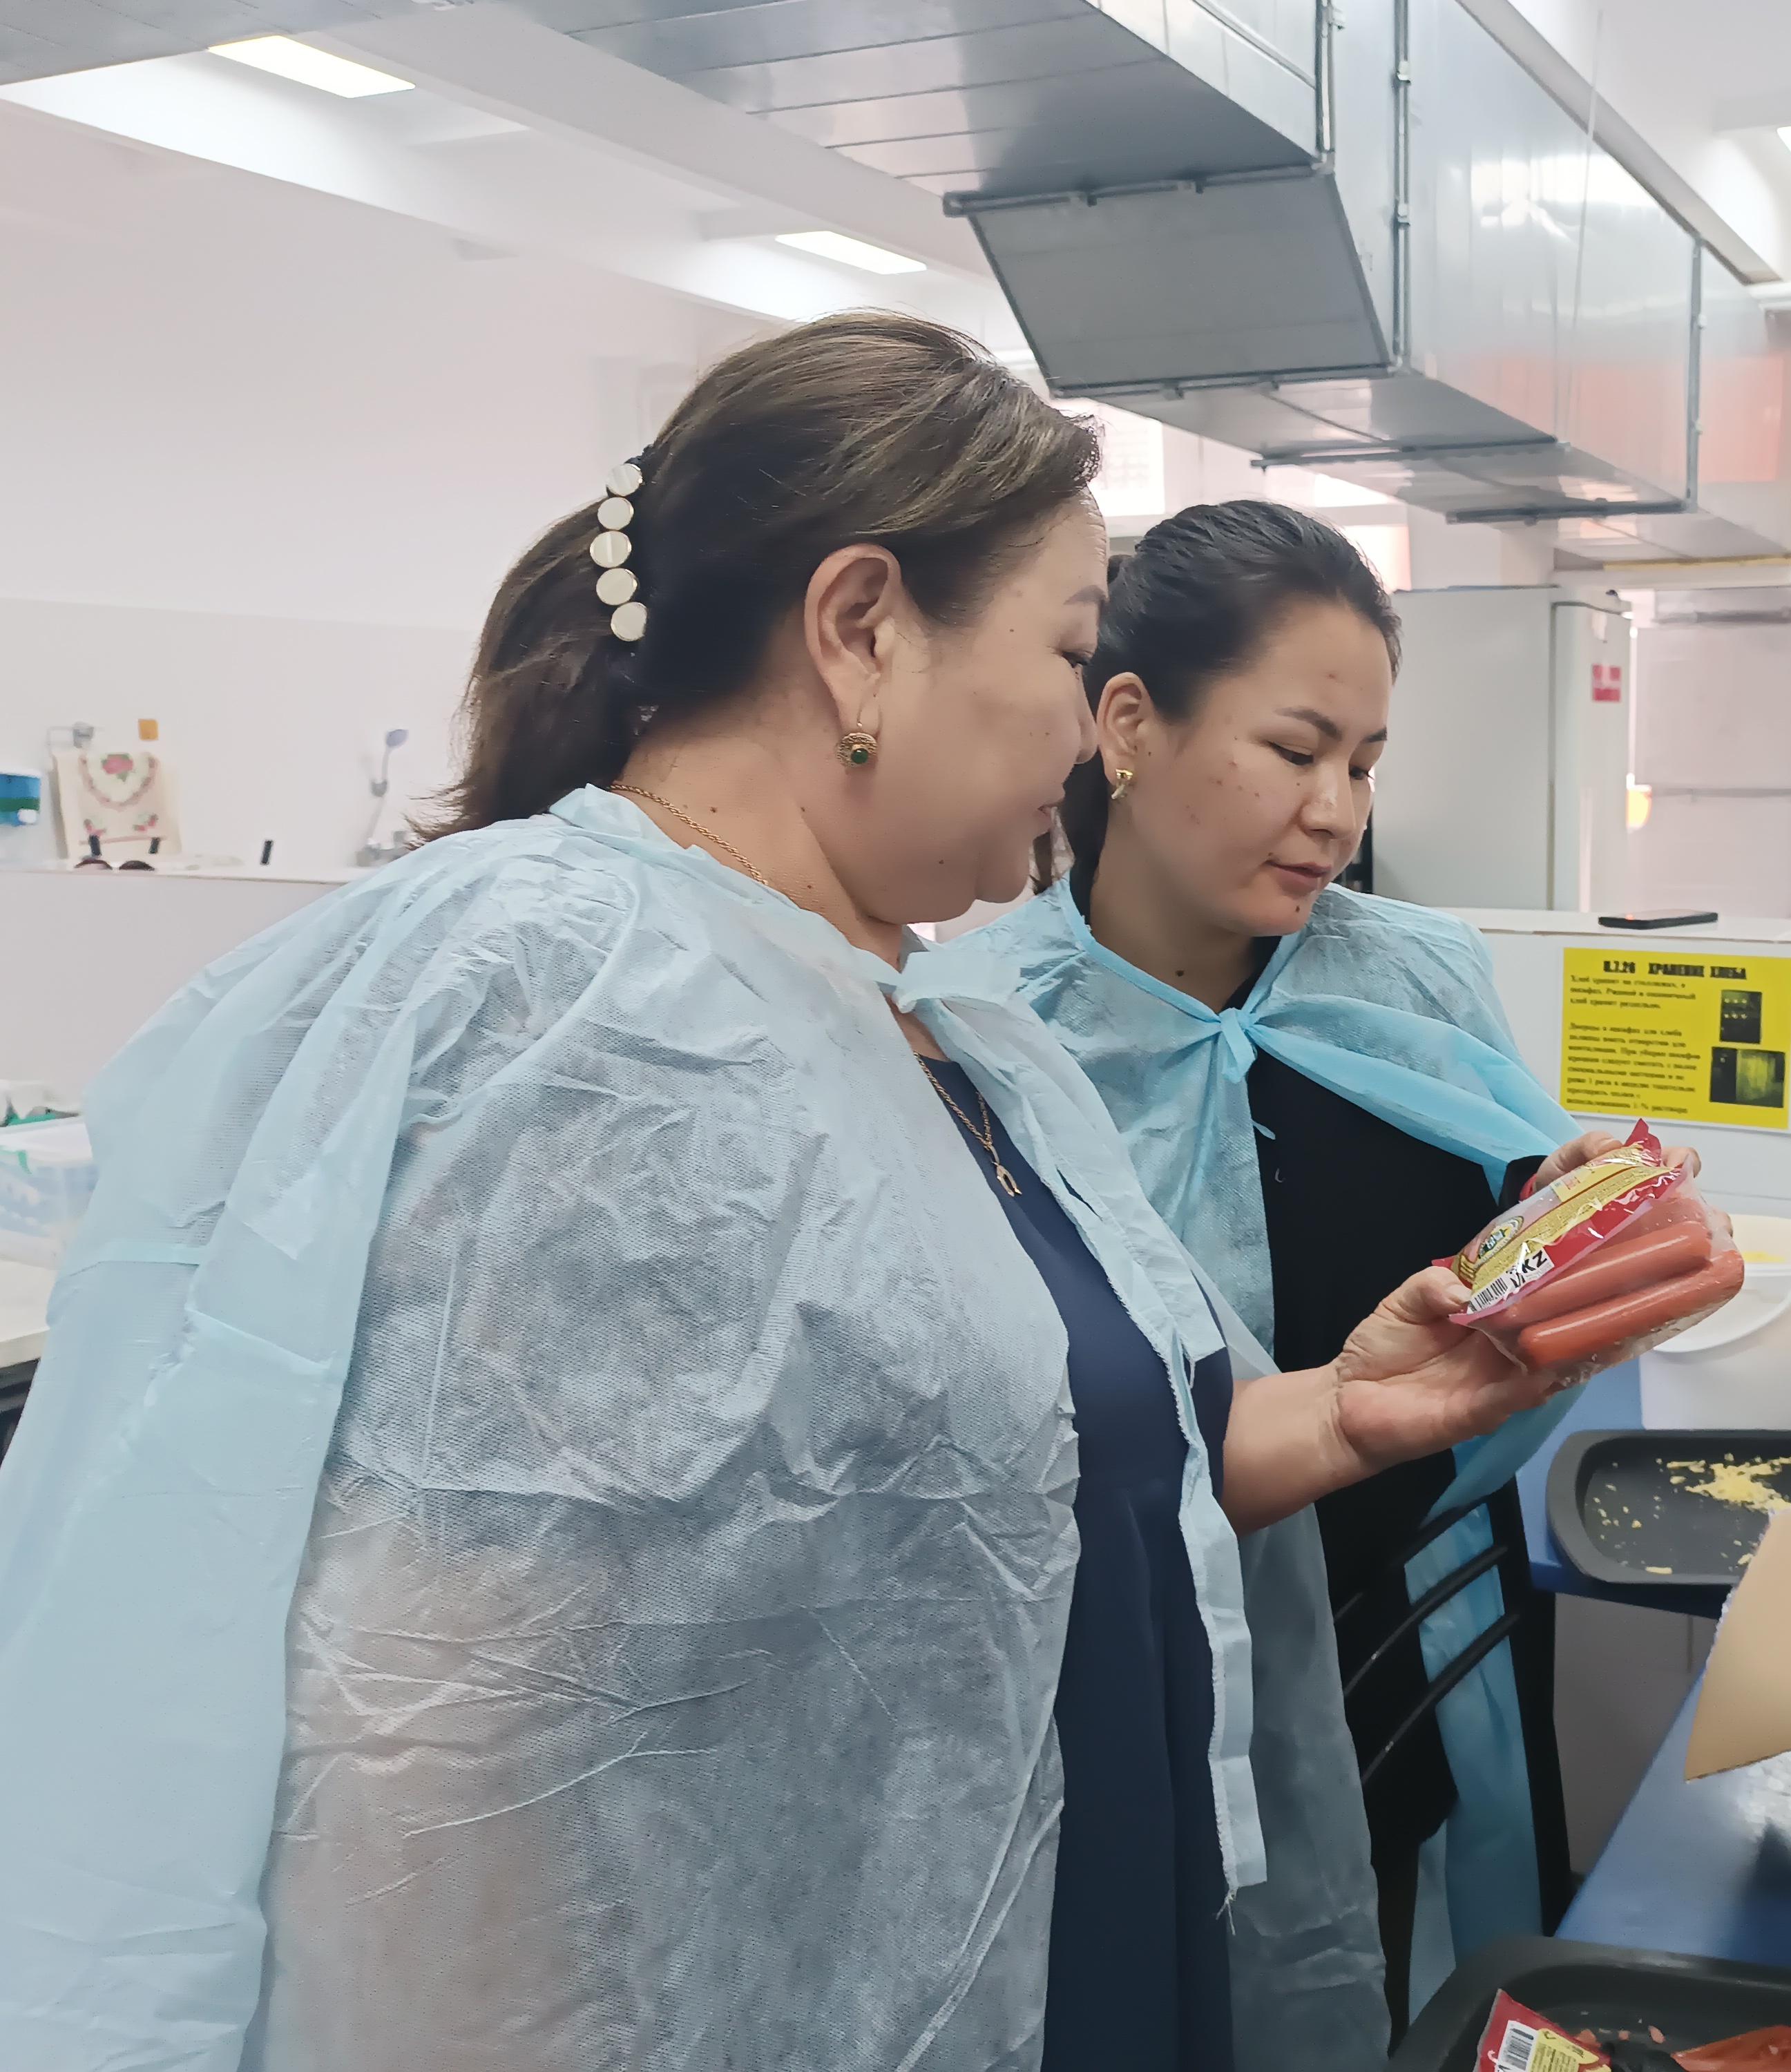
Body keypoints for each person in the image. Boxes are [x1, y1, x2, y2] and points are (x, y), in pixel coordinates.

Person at [0, 318, 1575, 2072]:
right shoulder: (572, 1009)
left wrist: (1348, 1407)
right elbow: (426, 1739)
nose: (1085, 727)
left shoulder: (924, 1019)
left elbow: (1036, 1470)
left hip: (1037, 1932)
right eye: (1069, 652)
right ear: (862, 630)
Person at [952, 500, 1629, 2024]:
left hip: (1410, 1650)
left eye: (1366, 765)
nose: (1336, 812)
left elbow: (1501, 1271)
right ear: (1128, 725)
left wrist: (1581, 1229)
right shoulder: (986, 1032)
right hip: (1131, 1675)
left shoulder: (1416, 978)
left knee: (1403, 1986)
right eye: (1294, 750)